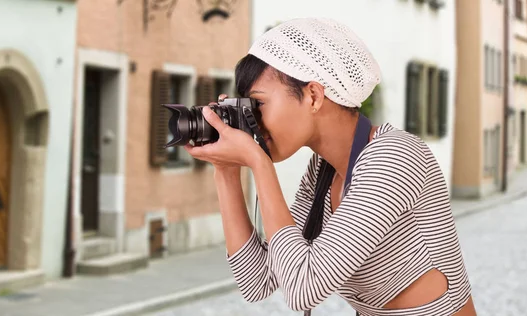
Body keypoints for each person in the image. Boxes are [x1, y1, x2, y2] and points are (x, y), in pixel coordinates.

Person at [185, 17, 477, 316]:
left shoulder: (396, 156)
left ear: (313, 95)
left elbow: (302, 290)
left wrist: (259, 163)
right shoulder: (322, 171)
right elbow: (257, 282)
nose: (253, 120)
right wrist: (226, 171)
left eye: (258, 104)